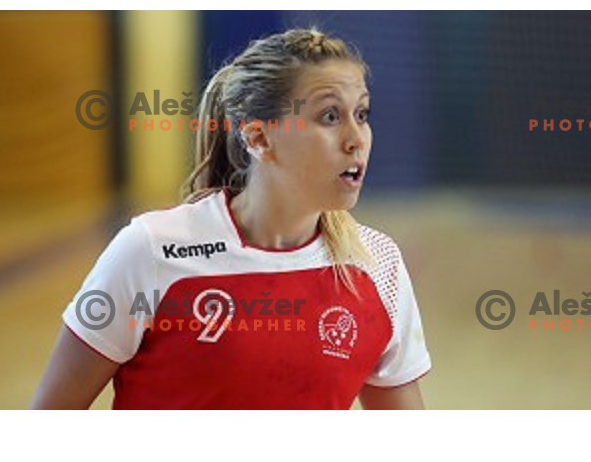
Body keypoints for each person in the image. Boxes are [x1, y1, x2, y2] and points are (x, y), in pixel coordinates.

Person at [31, 27, 432, 410]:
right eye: (330, 116)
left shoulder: (378, 265)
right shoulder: (152, 250)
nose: (356, 138)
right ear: (258, 138)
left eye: (361, 114)